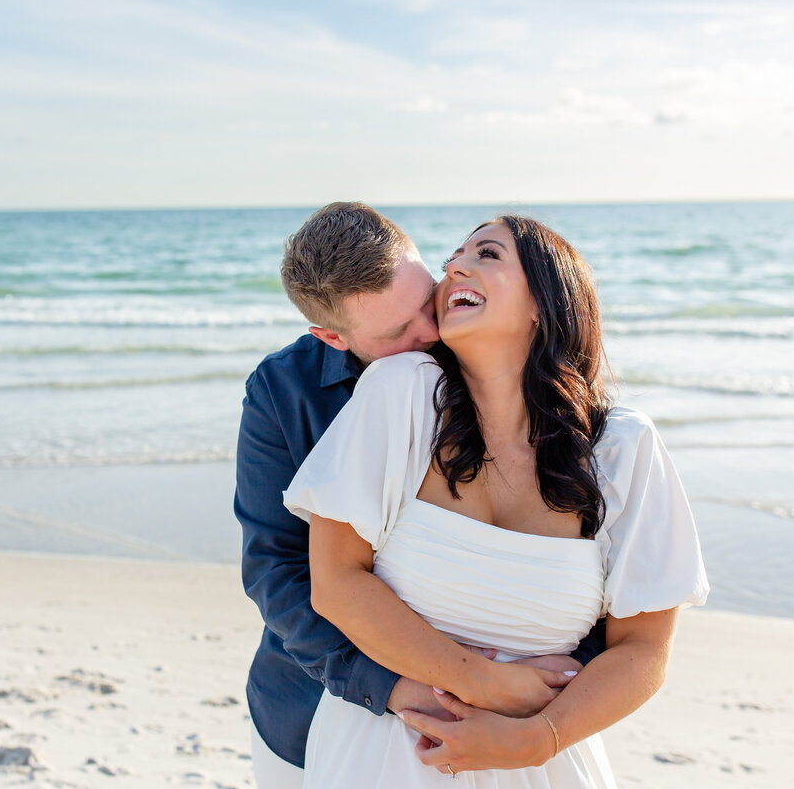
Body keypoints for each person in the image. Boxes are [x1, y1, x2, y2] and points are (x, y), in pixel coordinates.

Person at [282, 215, 709, 786]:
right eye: (455, 254)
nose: (455, 264)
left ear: (546, 301)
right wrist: (482, 683)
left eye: (487, 253)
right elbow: (335, 583)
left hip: (542, 762)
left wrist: (536, 739)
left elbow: (645, 650)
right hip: (383, 757)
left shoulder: (624, 448)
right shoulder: (398, 392)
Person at [235, 203, 604, 787]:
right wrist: (395, 686)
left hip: (507, 718)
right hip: (308, 706)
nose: (429, 335)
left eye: (425, 300)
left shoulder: (488, 367)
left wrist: (549, 688)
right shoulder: (284, 391)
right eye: (396, 333)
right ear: (332, 337)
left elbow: (571, 553)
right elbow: (277, 570)